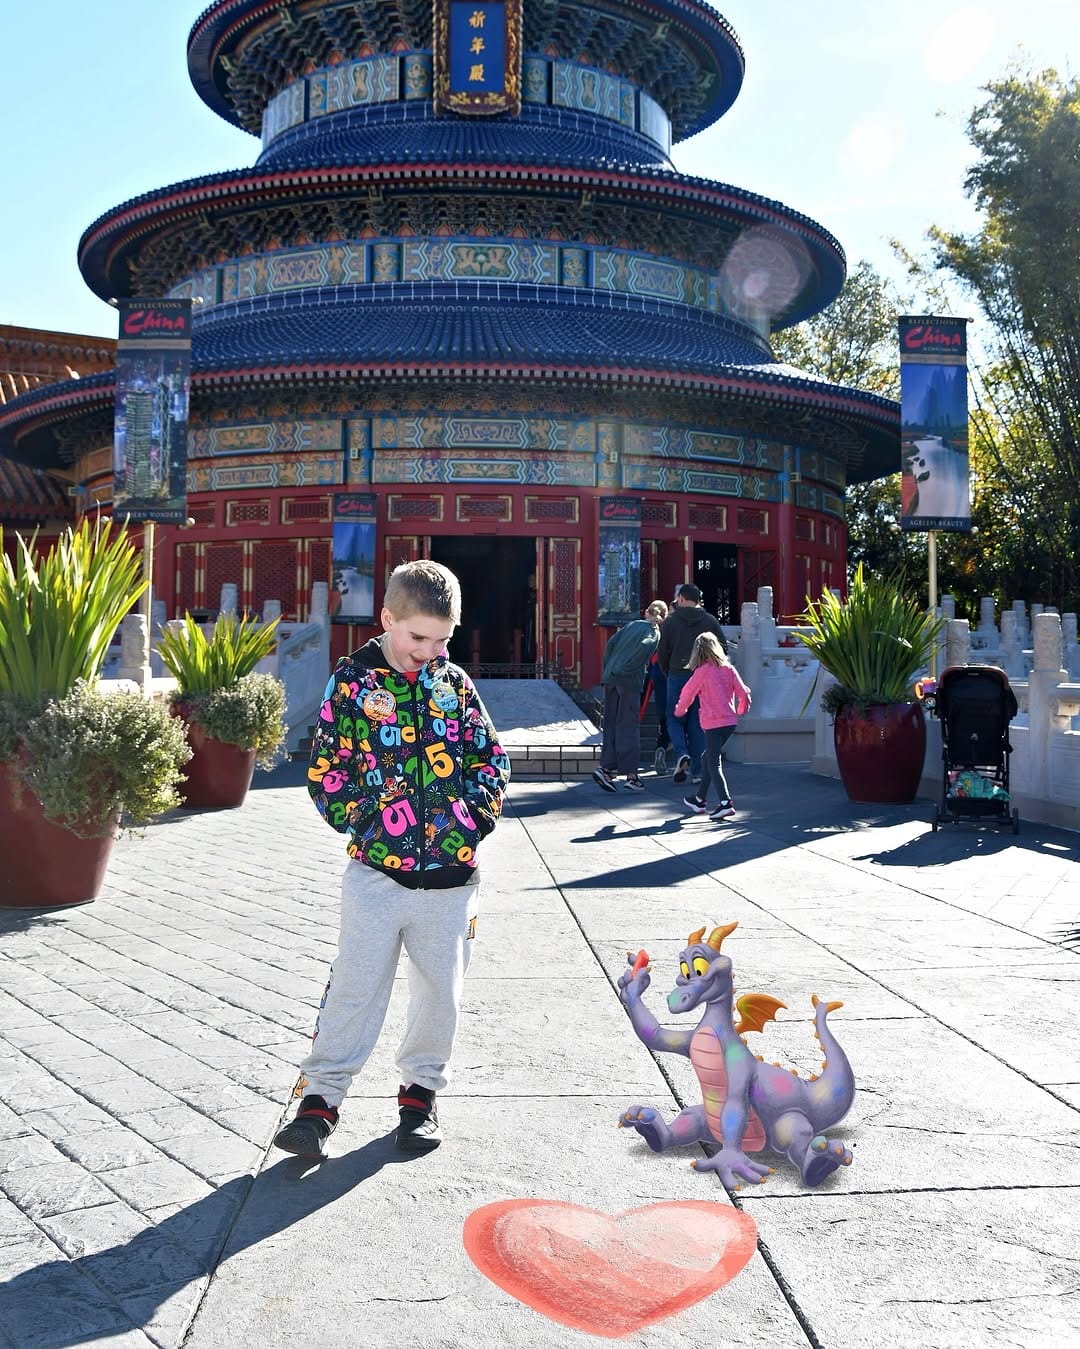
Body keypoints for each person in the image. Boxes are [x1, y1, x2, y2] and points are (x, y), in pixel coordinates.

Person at [274, 560, 510, 1159]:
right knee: (354, 987)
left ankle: (420, 1098)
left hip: (451, 878)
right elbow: (327, 771)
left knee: (439, 995)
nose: (428, 652)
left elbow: (490, 759)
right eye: (417, 637)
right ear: (387, 619)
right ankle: (319, 1102)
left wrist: (471, 819)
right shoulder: (352, 683)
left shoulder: (454, 684)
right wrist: (370, 824)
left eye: (442, 641)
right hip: (376, 875)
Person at [656, 583, 729, 784]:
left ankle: (681, 753)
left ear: (680, 599)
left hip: (677, 675)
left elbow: (662, 653)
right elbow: (723, 648)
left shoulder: (670, 622)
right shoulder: (710, 621)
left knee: (674, 717)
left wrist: (668, 671)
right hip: (703, 676)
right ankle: (697, 772)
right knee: (698, 722)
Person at [675, 631, 751, 821]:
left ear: (698, 652)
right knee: (707, 757)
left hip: (713, 723)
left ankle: (725, 802)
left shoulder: (701, 672)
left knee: (713, 763)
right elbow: (744, 693)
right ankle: (699, 799)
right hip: (729, 722)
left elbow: (687, 693)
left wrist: (680, 710)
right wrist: (740, 710)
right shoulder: (728, 669)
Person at [592, 610, 659, 793]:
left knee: (611, 723)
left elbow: (610, 644)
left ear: (647, 612)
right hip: (628, 680)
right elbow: (645, 647)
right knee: (628, 725)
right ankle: (631, 775)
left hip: (611, 678)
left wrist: (609, 668)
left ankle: (606, 769)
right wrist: (627, 669)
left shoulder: (631, 625)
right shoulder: (653, 631)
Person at [640, 600, 671, 773]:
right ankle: (666, 746)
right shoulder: (670, 628)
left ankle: (660, 746)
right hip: (669, 672)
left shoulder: (642, 629)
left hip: (651, 671)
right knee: (671, 717)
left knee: (658, 717)